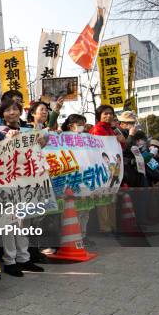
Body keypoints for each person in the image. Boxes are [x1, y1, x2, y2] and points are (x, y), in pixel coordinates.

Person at [0, 99, 45, 276]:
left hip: (25, 179)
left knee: (23, 222)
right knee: (9, 222)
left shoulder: (28, 129)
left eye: (15, 109)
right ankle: (10, 261)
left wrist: (40, 140)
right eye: (7, 110)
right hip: (5, 180)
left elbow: (37, 149)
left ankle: (24, 258)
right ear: (2, 114)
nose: (12, 112)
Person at [61, 114, 94, 246]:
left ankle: (84, 234)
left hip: (87, 177)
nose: (82, 126)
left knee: (86, 210)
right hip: (73, 179)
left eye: (84, 123)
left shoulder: (86, 139)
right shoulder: (63, 139)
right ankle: (74, 235)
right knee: (75, 210)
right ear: (71, 126)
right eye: (80, 123)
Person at [90, 105, 123, 234]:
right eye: (105, 114)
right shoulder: (97, 129)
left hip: (113, 170)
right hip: (102, 169)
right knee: (104, 199)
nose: (108, 116)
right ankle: (105, 228)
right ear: (99, 115)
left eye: (110, 114)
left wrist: (122, 140)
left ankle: (112, 226)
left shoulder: (112, 130)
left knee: (110, 199)